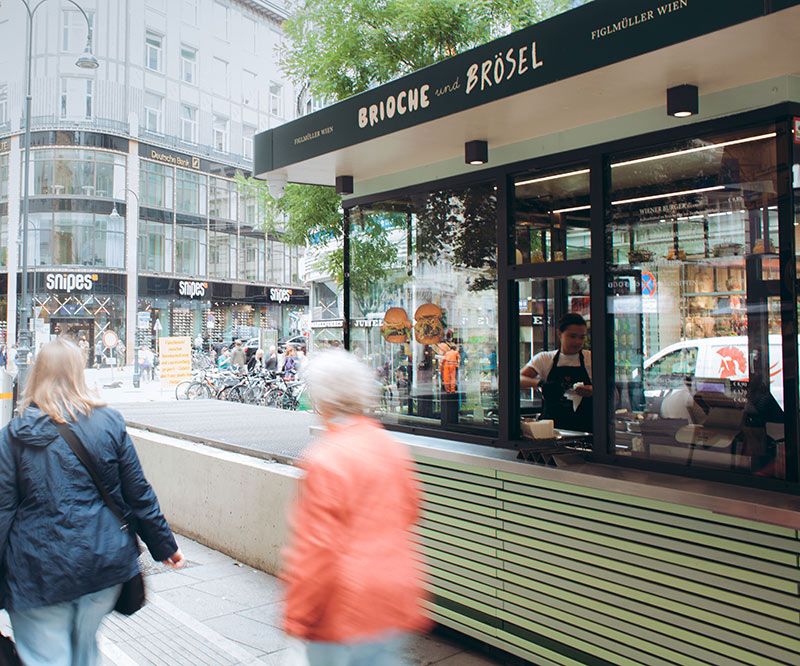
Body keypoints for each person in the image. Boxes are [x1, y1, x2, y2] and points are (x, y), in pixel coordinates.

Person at [0, 340, 184, 664]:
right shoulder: (109, 423)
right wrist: (164, 546)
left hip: (37, 572)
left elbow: (3, 512)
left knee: (46, 658)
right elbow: (137, 492)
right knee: (86, 653)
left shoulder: (13, 435)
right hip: (102, 566)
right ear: (78, 373)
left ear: (36, 375)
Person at [282, 350, 429, 665]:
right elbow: (413, 508)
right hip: (395, 595)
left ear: (322, 401)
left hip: (345, 605)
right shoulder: (390, 447)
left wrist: (298, 615)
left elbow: (316, 551)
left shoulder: (326, 459)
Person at [520, 312, 593, 432]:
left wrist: (593, 390)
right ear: (560, 333)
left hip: (586, 428)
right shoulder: (545, 358)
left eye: (582, 337)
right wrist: (540, 384)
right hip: (552, 430)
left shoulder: (591, 358)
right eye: (572, 336)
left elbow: (611, 391)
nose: (577, 342)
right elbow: (517, 379)